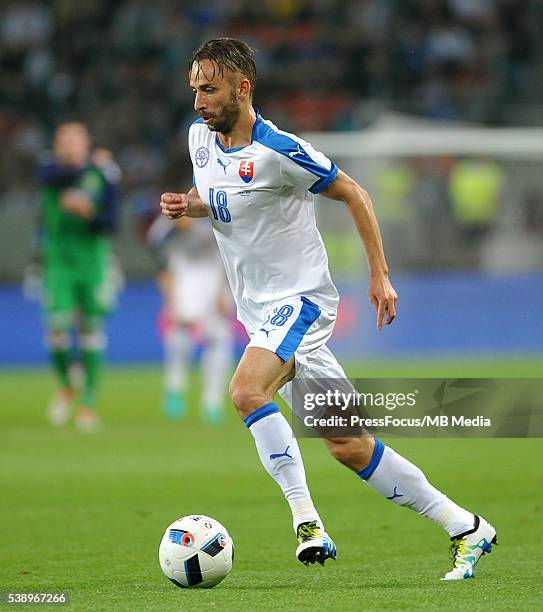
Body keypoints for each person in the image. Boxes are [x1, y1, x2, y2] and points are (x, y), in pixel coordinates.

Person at [160, 39, 496, 580]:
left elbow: (356, 194)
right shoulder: (200, 139)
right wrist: (190, 204)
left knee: (246, 390)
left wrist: (380, 275)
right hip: (258, 312)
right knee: (349, 445)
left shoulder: (280, 150)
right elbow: (227, 201)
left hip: (300, 303)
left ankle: (306, 523)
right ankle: (467, 528)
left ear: (242, 89)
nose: (198, 101)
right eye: (194, 89)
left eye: (209, 89)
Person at [37, 122, 120, 432]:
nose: (70, 145)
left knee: (90, 328)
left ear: (86, 143)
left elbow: (111, 223)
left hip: (93, 262)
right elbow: (52, 177)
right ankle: (67, 383)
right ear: (57, 145)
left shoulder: (102, 178)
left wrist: (89, 213)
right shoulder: (50, 170)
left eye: (76, 139)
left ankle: (87, 403)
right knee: (57, 327)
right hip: (58, 261)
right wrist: (92, 168)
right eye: (65, 140)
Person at [146, 213, 232, 423]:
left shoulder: (219, 215)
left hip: (213, 281)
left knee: (219, 339)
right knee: (180, 337)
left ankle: (213, 402)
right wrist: (171, 296)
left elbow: (229, 254)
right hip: (185, 280)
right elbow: (161, 262)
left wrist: (224, 291)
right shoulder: (164, 228)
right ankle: (175, 389)